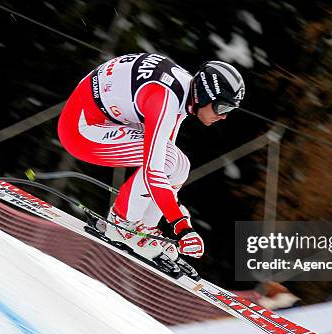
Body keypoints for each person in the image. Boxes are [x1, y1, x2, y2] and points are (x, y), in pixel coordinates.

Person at [58, 52, 245, 270]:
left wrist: (179, 216)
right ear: (205, 95)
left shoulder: (183, 94)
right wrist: (182, 226)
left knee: (179, 165)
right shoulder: (165, 98)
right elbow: (153, 170)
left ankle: (141, 230)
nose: (223, 116)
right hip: (81, 128)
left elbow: (164, 166)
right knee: (164, 160)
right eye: (223, 107)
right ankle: (121, 225)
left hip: (106, 117)